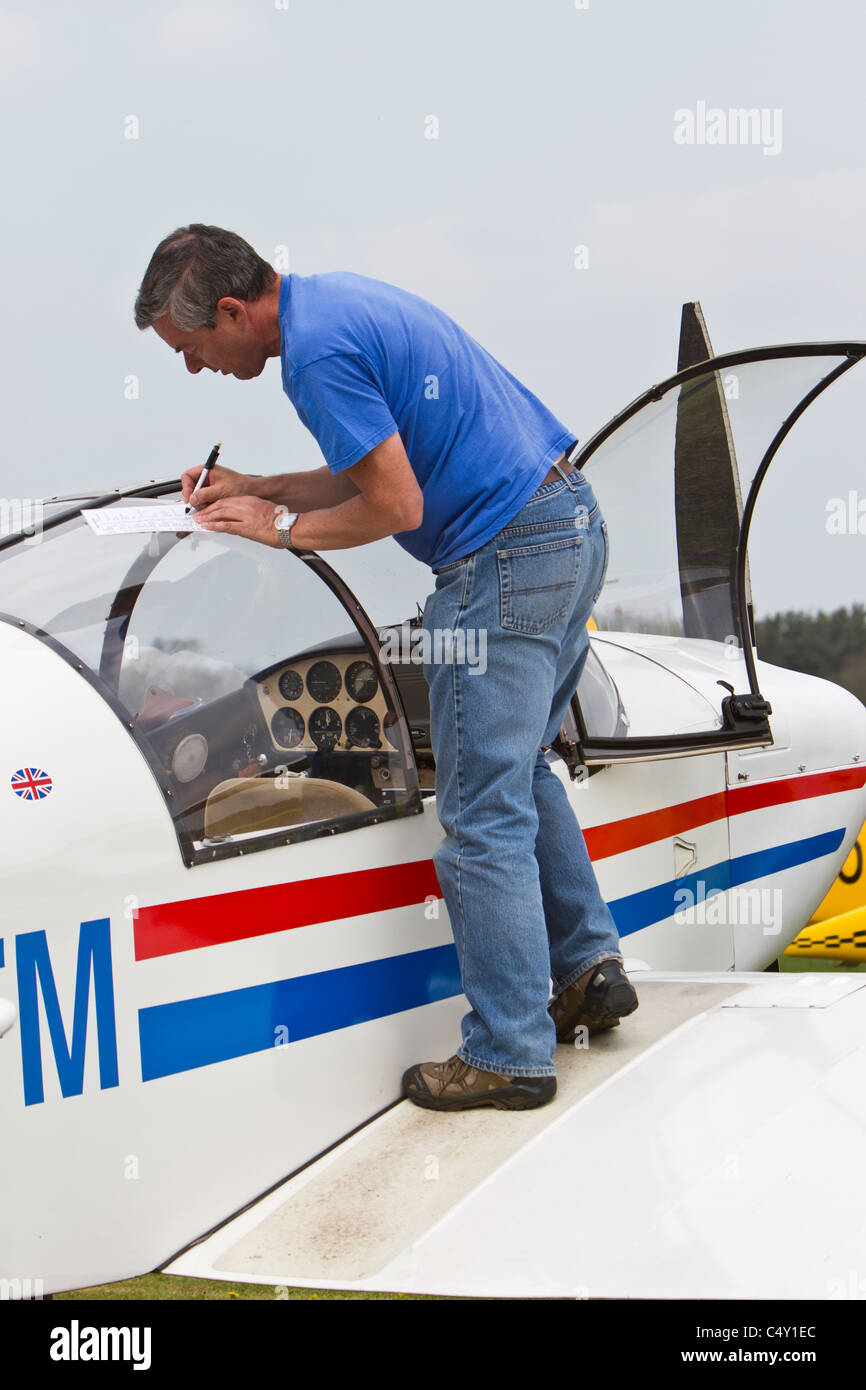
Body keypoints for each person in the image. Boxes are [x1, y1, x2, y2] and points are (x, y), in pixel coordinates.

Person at [134, 223, 637, 1112]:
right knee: (519, 771)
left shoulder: (314, 359)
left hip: (504, 558)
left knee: (480, 812)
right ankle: (590, 969)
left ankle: (510, 1054)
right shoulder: (334, 307)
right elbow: (376, 469)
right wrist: (267, 489)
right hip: (567, 523)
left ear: (229, 310)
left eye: (192, 348)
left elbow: (394, 504)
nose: (195, 368)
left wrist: (278, 534)